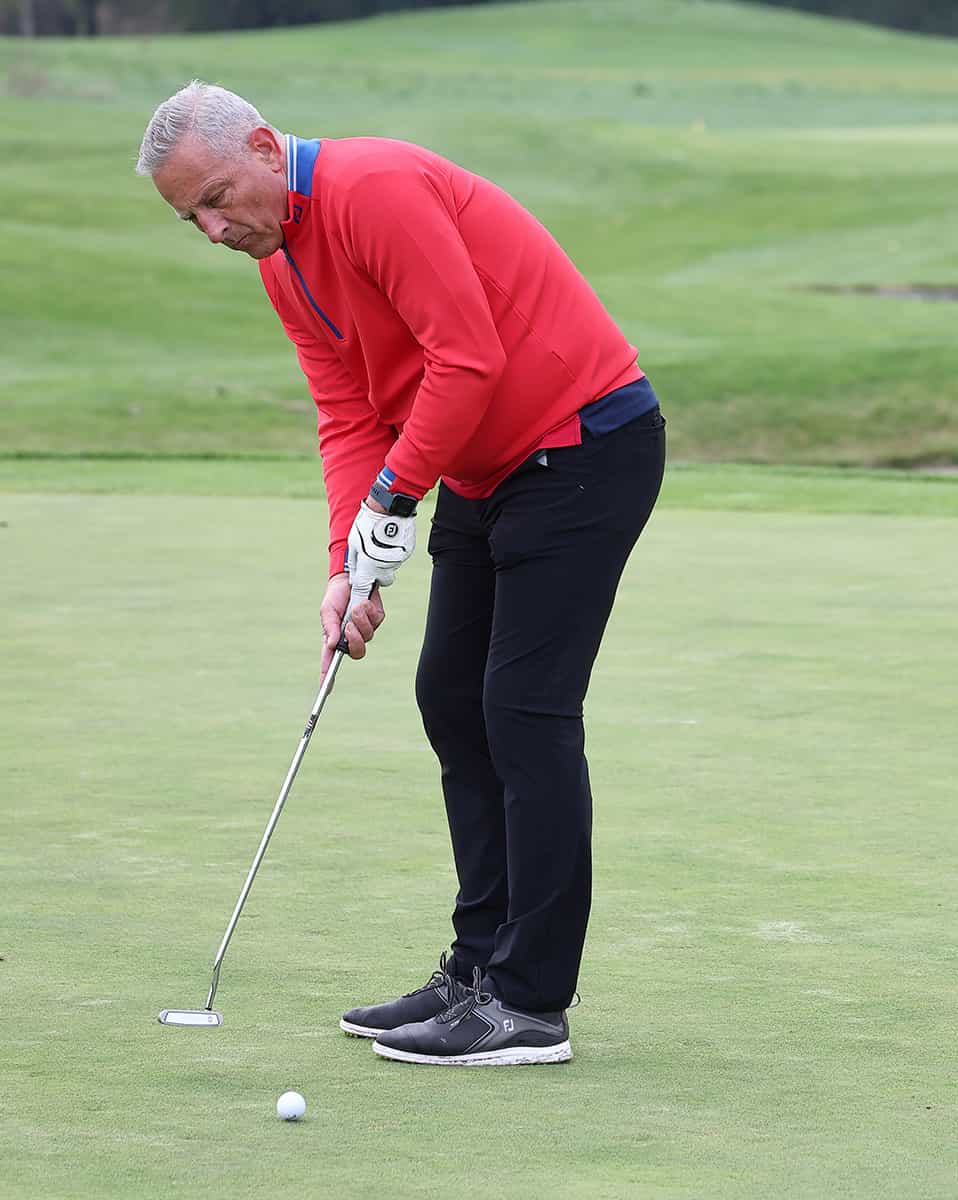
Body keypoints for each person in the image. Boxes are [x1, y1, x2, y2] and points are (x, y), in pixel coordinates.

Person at [136, 81, 664, 1066]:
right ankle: (477, 971)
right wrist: (349, 564)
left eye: (215, 197)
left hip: (583, 443)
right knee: (451, 699)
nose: (211, 228)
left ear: (263, 147)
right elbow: (348, 413)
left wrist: (394, 498)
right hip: (486, 465)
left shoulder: (370, 188)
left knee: (524, 710)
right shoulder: (283, 265)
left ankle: (529, 1003)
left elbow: (467, 358)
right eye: (189, 217)